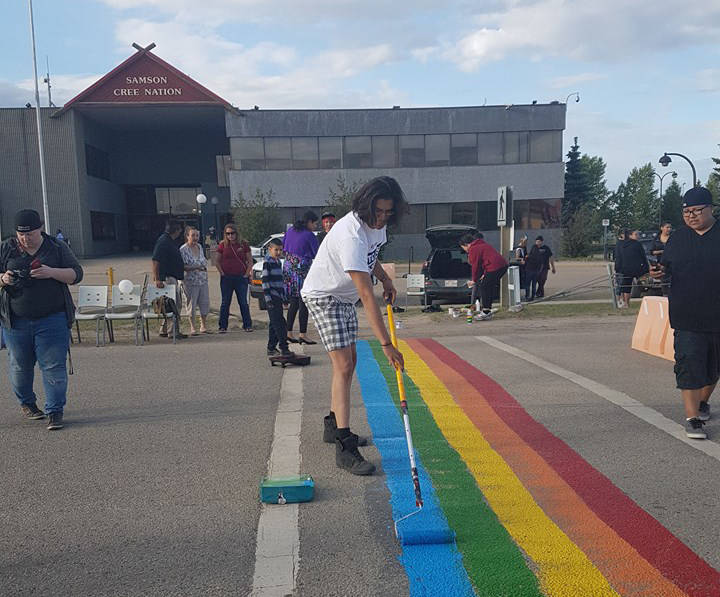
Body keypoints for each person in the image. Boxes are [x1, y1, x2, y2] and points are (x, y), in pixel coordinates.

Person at [302, 176, 406, 475]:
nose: (383, 217)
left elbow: (370, 258)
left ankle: (333, 425)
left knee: (349, 362)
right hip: (324, 296)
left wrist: (385, 278)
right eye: (379, 211)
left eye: (388, 212)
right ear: (365, 205)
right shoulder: (350, 233)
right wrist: (386, 345)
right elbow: (365, 293)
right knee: (345, 365)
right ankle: (344, 446)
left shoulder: (376, 226)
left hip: (344, 298)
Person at [0, 209, 83, 430]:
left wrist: (51, 272)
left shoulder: (56, 247)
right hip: (16, 320)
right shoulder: (6, 248)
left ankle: (55, 410)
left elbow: (76, 274)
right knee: (20, 365)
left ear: (41, 229)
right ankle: (27, 404)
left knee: (53, 365)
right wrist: (3, 278)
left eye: (30, 234)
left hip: (52, 317)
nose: (26, 239)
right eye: (21, 235)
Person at [651, 187, 719, 440]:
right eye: (686, 211)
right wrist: (658, 272)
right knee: (689, 364)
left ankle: (702, 403)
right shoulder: (678, 238)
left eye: (697, 211)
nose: (691, 216)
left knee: (713, 368)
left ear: (711, 208)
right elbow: (666, 268)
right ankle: (693, 419)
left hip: (717, 314)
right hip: (686, 313)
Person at [283, 210, 320, 344]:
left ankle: (288, 332)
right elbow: (317, 253)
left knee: (294, 301)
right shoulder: (309, 235)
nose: (315, 226)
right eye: (315, 223)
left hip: (288, 268)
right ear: (309, 222)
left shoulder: (291, 230)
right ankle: (302, 334)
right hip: (301, 269)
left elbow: (284, 247)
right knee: (304, 300)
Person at [459, 232, 508, 321]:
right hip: (501, 265)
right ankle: (487, 309)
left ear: (466, 245)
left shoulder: (473, 249)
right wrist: (484, 274)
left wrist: (474, 280)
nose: (465, 250)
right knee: (488, 285)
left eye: (463, 248)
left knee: (484, 286)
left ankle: (486, 311)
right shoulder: (481, 244)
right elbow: (486, 260)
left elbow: (476, 266)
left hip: (495, 267)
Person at [215, 222, 253, 333]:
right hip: (227, 277)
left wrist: (246, 274)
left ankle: (247, 325)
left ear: (237, 233)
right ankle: (222, 326)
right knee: (225, 302)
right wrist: (222, 273)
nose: (230, 236)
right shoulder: (223, 245)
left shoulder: (243, 244)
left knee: (243, 302)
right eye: (228, 234)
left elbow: (250, 261)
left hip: (240, 277)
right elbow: (217, 261)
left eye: (232, 233)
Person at [152, 219, 187, 339]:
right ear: (175, 230)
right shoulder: (163, 242)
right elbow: (156, 261)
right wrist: (157, 279)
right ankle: (173, 332)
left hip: (172, 277)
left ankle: (164, 329)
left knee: (167, 305)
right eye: (179, 230)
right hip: (166, 278)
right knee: (173, 305)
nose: (180, 232)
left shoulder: (169, 241)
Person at [262, 238, 294, 358]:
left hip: (278, 297)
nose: (278, 252)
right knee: (280, 324)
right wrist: (268, 299)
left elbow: (281, 283)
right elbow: (265, 282)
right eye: (276, 250)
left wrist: (284, 298)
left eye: (280, 250)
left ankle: (271, 347)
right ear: (270, 249)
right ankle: (284, 347)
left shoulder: (278, 262)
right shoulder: (267, 263)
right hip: (271, 298)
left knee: (274, 323)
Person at [179, 226, 211, 335]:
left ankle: (203, 325)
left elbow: (204, 261)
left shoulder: (200, 247)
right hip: (190, 282)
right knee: (191, 304)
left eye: (197, 235)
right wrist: (196, 267)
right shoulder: (183, 249)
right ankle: (192, 327)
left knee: (204, 303)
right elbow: (182, 266)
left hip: (202, 280)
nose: (195, 238)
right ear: (187, 236)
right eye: (193, 235)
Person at [614, 229, 648, 308]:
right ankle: (625, 302)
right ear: (630, 235)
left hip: (626, 268)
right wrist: (645, 267)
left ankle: (626, 303)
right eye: (635, 234)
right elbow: (643, 256)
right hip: (632, 268)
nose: (637, 236)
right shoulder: (636, 244)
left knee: (626, 286)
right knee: (625, 286)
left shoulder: (622, 244)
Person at [525, 236, 555, 301]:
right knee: (536, 281)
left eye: (539, 241)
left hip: (545, 267)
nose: (538, 243)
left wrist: (553, 267)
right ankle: (539, 293)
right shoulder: (534, 247)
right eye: (537, 241)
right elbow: (529, 255)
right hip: (536, 268)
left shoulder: (546, 248)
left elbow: (551, 257)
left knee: (543, 280)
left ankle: (539, 292)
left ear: (542, 242)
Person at [650, 223, 673, 296]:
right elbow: (652, 252)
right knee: (664, 280)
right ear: (662, 228)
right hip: (661, 263)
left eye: (670, 227)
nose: (669, 229)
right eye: (667, 227)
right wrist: (662, 251)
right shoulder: (656, 239)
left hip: (673, 262)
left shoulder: (673, 238)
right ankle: (665, 295)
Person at [513, 235, 529, 300]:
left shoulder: (524, 248)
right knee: (520, 281)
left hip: (523, 267)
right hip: (520, 268)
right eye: (525, 242)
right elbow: (517, 257)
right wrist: (522, 259)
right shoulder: (519, 249)